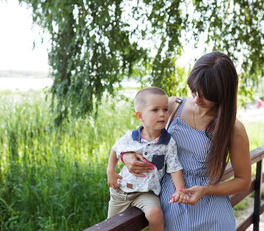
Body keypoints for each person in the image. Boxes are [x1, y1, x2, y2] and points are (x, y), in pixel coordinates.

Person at [122, 51, 252, 230]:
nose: (197, 98)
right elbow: (140, 138)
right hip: (172, 205)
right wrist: (127, 155)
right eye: (194, 90)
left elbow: (244, 180)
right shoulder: (172, 106)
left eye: (205, 95)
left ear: (222, 94)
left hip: (213, 215)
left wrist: (206, 190)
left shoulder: (233, 128)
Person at [106, 87, 189, 231]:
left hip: (146, 193)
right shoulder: (131, 137)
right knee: (112, 227)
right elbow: (115, 149)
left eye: (165, 109)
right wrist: (111, 172)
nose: (162, 114)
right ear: (140, 116)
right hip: (121, 192)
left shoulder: (168, 142)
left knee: (156, 214)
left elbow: (175, 168)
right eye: (155, 110)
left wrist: (180, 190)